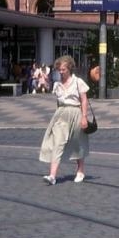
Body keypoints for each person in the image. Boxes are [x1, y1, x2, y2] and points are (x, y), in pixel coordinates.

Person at [39, 56, 90, 185]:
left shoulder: (78, 82)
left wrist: (84, 117)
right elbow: (58, 103)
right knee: (58, 143)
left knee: (77, 142)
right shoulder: (57, 85)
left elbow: (84, 100)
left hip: (76, 113)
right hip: (61, 114)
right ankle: (52, 175)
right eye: (59, 70)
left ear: (69, 69)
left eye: (63, 69)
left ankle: (80, 170)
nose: (61, 72)